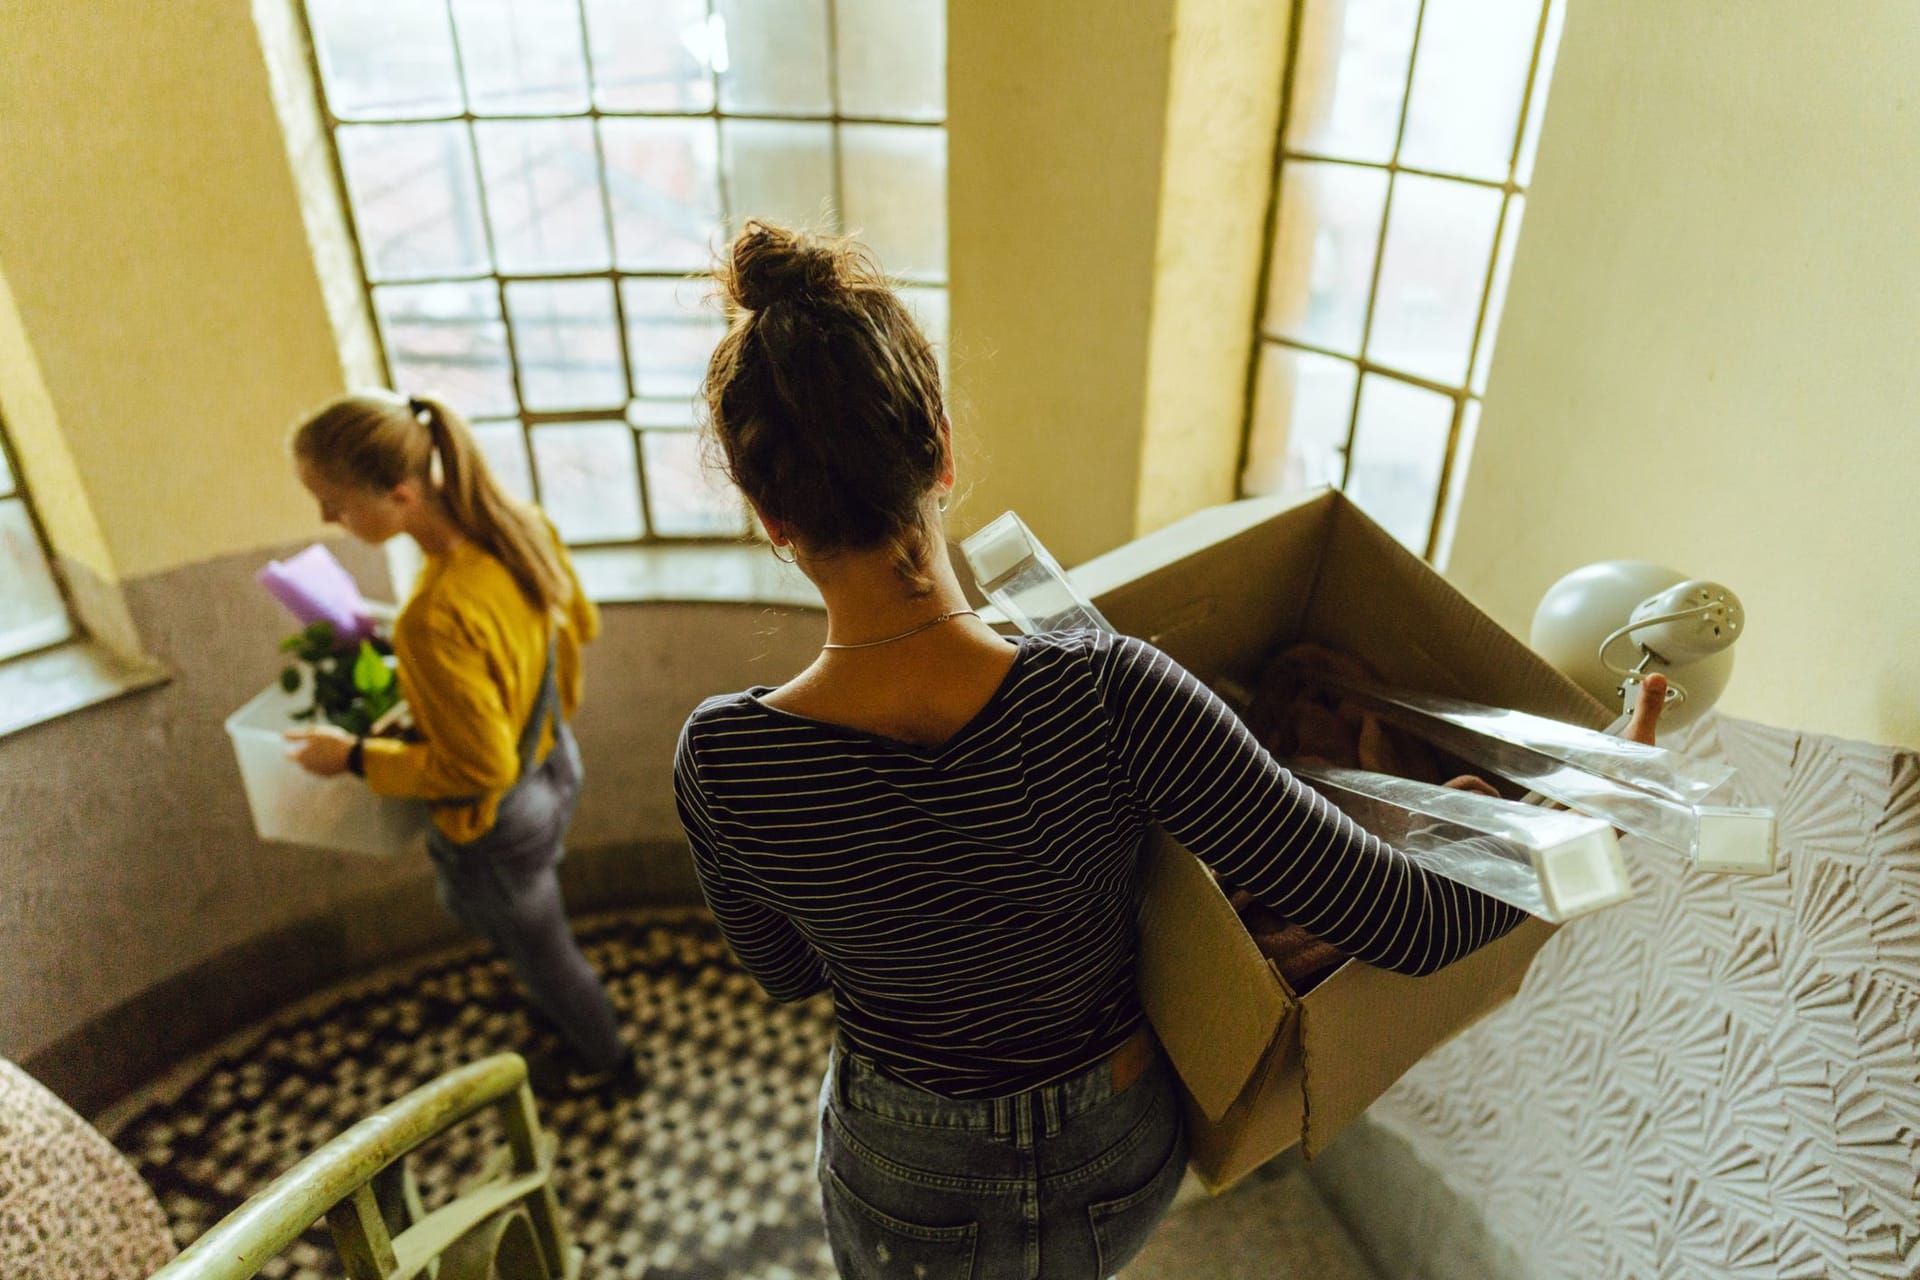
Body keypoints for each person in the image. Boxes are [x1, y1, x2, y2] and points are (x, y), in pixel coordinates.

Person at [673, 221, 1664, 1279]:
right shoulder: (1111, 692)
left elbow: (784, 972)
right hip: (1115, 1142)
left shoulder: (726, 759)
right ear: (944, 450)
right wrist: (1586, 831)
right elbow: (1407, 922)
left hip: (907, 1169)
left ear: (770, 516)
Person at [284, 391, 640, 1095]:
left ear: (401, 494)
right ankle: (569, 1025)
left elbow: (479, 765)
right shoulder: (521, 529)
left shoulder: (432, 614)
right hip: (556, 765)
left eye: (335, 502)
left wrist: (350, 756)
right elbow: (580, 627)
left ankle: (608, 1066)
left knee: (545, 954)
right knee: (533, 928)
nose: (328, 519)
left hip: (502, 812)